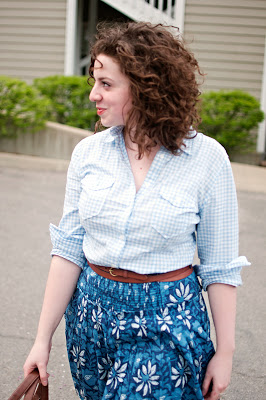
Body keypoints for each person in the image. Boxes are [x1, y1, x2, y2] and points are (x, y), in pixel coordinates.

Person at [23, 21, 250, 400]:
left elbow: (220, 265)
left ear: (147, 88)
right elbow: (68, 249)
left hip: (166, 319)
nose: (94, 94)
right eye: (94, 81)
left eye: (107, 84)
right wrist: (41, 340)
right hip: (90, 319)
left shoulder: (207, 159)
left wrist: (225, 352)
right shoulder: (88, 154)